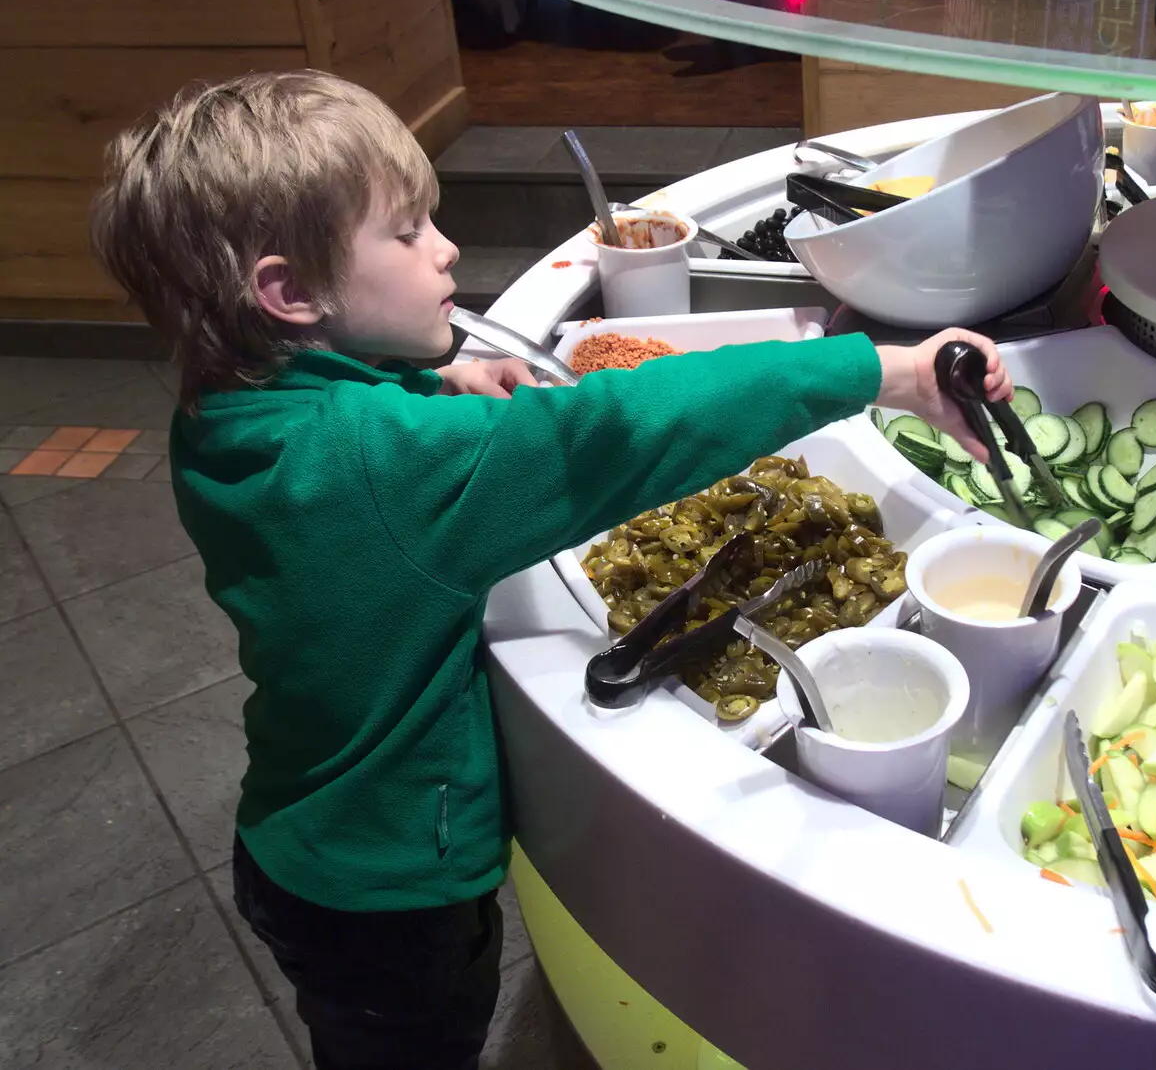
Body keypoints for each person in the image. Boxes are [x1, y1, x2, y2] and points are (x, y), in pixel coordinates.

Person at [88, 70, 1014, 1070]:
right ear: (290, 292)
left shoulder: (217, 423)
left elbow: (325, 409)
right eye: (405, 233)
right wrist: (883, 371)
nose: (444, 249)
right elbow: (615, 427)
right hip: (403, 892)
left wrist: (432, 374)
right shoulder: (387, 465)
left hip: (295, 843)